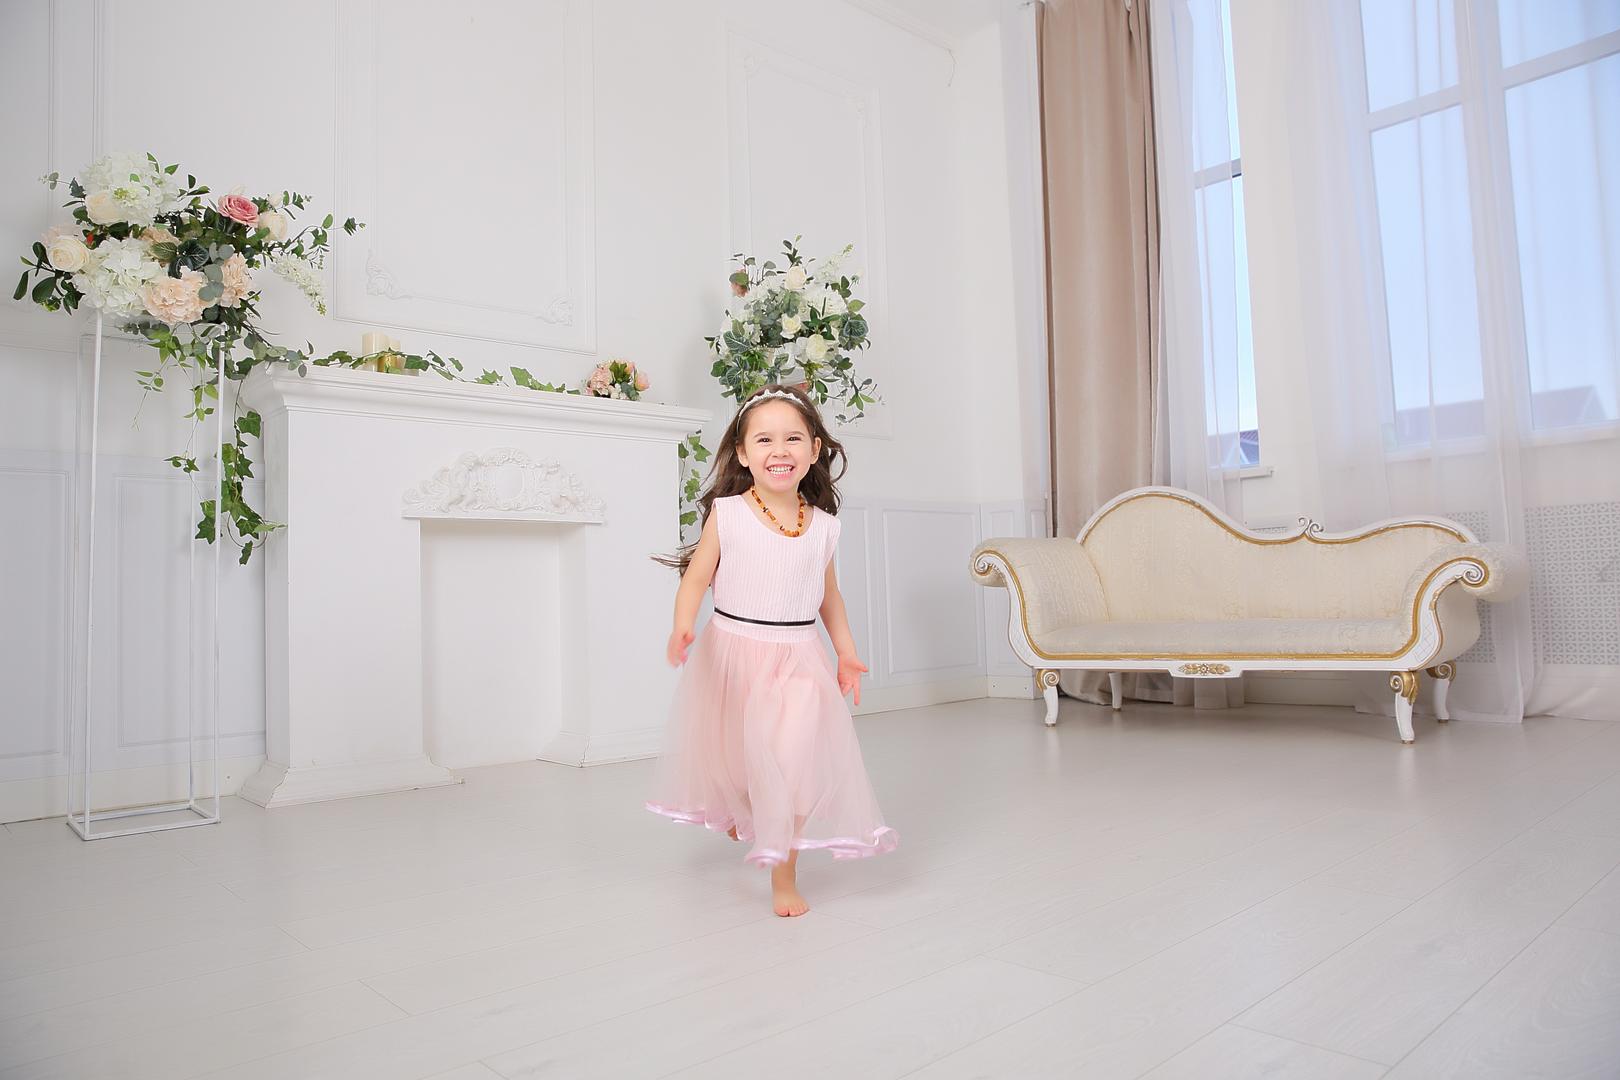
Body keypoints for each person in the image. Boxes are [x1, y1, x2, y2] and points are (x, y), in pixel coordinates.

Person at [646, 384, 898, 917]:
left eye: (792, 439)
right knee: (744, 769)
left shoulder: (823, 527)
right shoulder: (729, 513)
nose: (779, 450)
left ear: (814, 450)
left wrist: (846, 652)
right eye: (764, 440)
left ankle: (784, 874)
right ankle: (746, 813)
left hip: (799, 656)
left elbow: (830, 598)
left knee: (792, 765)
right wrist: (682, 626)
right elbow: (696, 579)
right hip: (733, 657)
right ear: (742, 453)